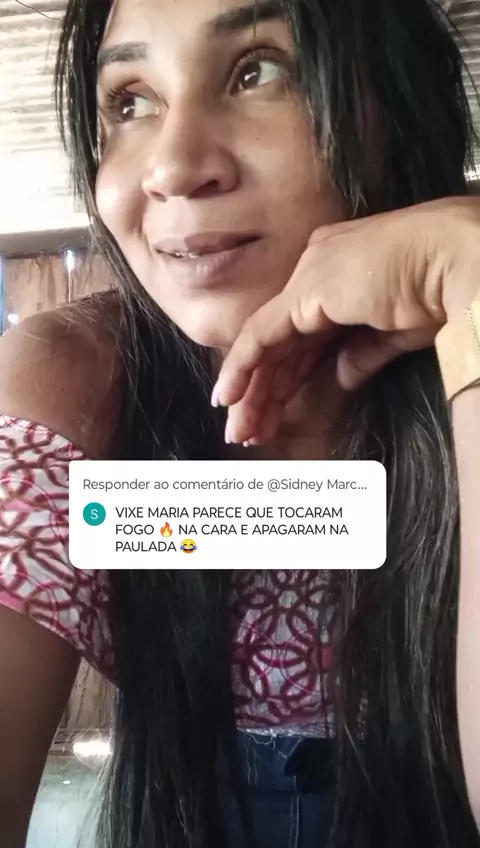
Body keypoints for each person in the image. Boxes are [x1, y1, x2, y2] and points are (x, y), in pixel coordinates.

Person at [1, 0, 480, 845]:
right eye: (130, 100)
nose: (172, 166)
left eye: (259, 71)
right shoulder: (73, 379)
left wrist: (474, 296)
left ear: (396, 111)